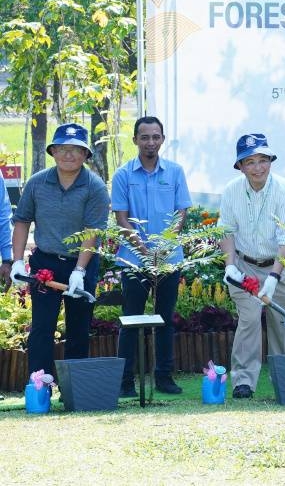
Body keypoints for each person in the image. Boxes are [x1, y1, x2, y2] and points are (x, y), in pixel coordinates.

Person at [0, 123, 110, 376]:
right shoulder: (38, 182)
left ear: (85, 155)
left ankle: (74, 388)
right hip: (45, 264)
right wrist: (17, 261)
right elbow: (22, 220)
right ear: (53, 151)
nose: (68, 154)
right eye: (62, 148)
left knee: (79, 327)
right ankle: (40, 386)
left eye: (75, 149)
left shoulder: (94, 187)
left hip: (81, 264)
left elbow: (93, 231)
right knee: (42, 327)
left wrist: (79, 270)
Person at [113, 116, 193, 397]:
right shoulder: (123, 174)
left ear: (162, 139)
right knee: (131, 320)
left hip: (169, 258)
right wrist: (144, 251)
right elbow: (121, 218)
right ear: (135, 140)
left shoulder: (175, 172)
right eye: (144, 137)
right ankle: (124, 382)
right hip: (135, 260)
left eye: (155, 137)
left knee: (165, 320)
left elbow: (181, 213)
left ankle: (164, 377)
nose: (150, 142)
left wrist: (165, 245)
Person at [219, 133, 285, 399]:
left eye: (263, 160)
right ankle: (243, 381)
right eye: (250, 162)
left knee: (284, 323)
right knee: (250, 318)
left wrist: (275, 277)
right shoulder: (231, 191)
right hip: (245, 266)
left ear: (270, 161)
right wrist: (230, 266)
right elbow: (227, 231)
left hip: (282, 265)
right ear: (240, 166)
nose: (258, 168)